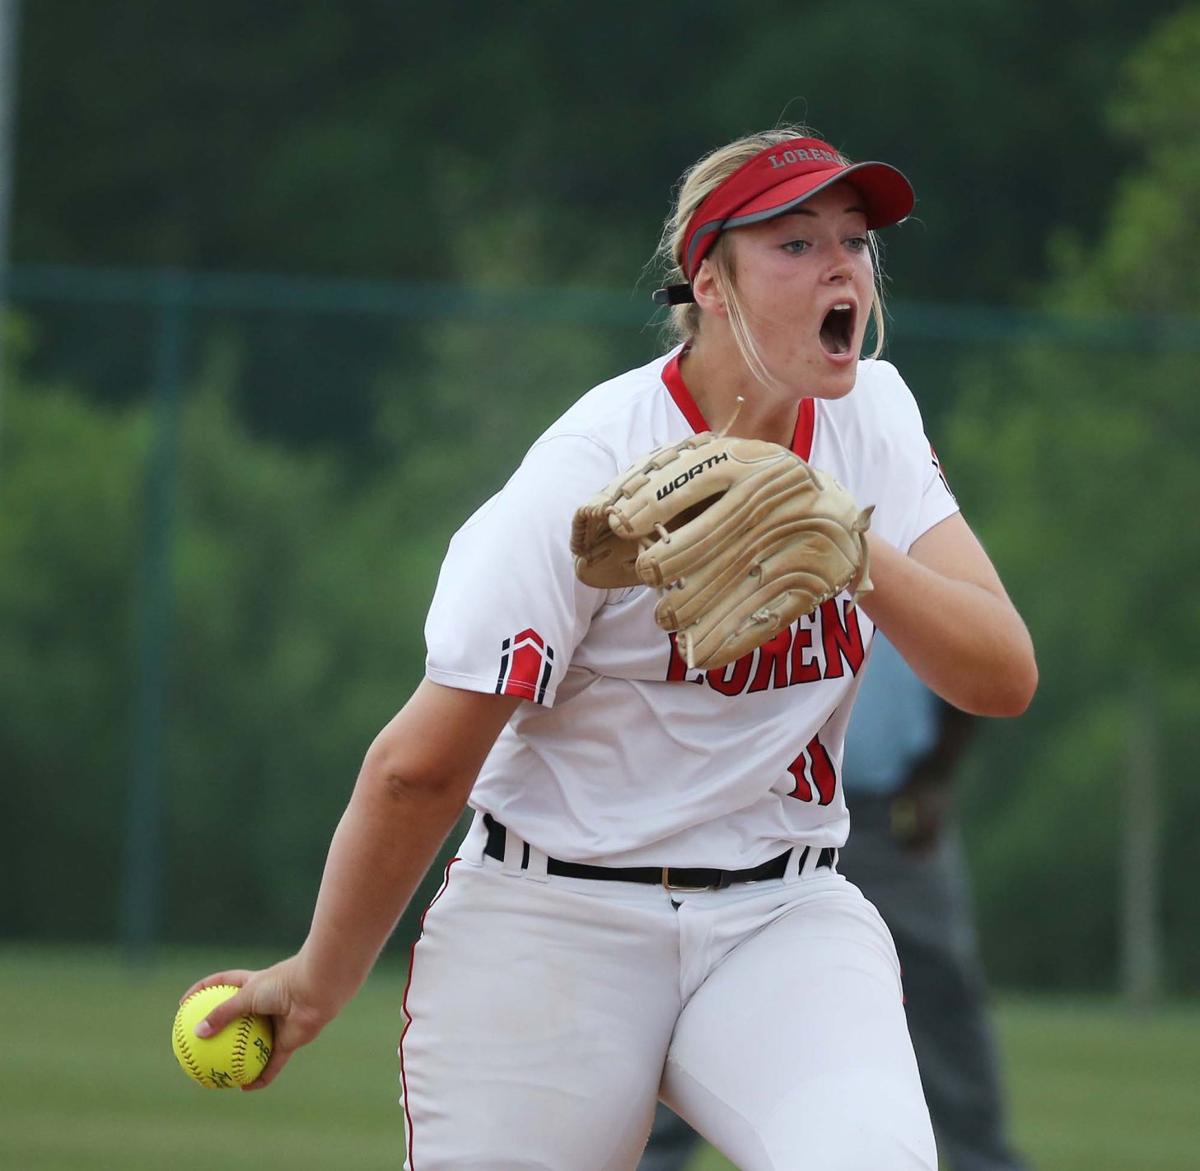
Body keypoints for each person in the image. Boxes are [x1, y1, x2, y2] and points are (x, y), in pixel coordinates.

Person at [181, 125, 1037, 1171]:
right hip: (553, 919)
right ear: (710, 281)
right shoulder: (591, 468)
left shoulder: (875, 422)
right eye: (795, 243)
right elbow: (419, 768)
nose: (842, 266)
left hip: (782, 915)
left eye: (855, 241)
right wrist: (320, 979)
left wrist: (851, 545)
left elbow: (1002, 673)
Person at [638, 631, 1031, 1171]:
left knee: (943, 988)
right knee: (696, 977)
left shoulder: (905, 555)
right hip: (750, 817)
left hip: (889, 816)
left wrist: (937, 775)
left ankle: (984, 1158)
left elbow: (974, 665)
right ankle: (653, 1157)